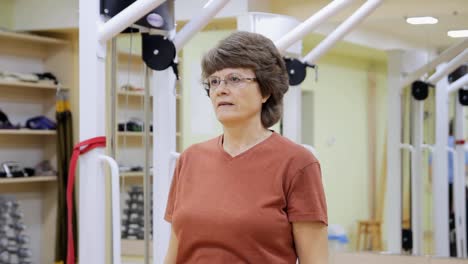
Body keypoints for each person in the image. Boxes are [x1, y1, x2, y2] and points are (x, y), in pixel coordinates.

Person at [164, 31, 328, 264]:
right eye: (214, 81)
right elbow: (175, 248)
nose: (221, 89)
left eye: (234, 79)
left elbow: (315, 259)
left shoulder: (298, 163)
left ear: (266, 90)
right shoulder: (190, 159)